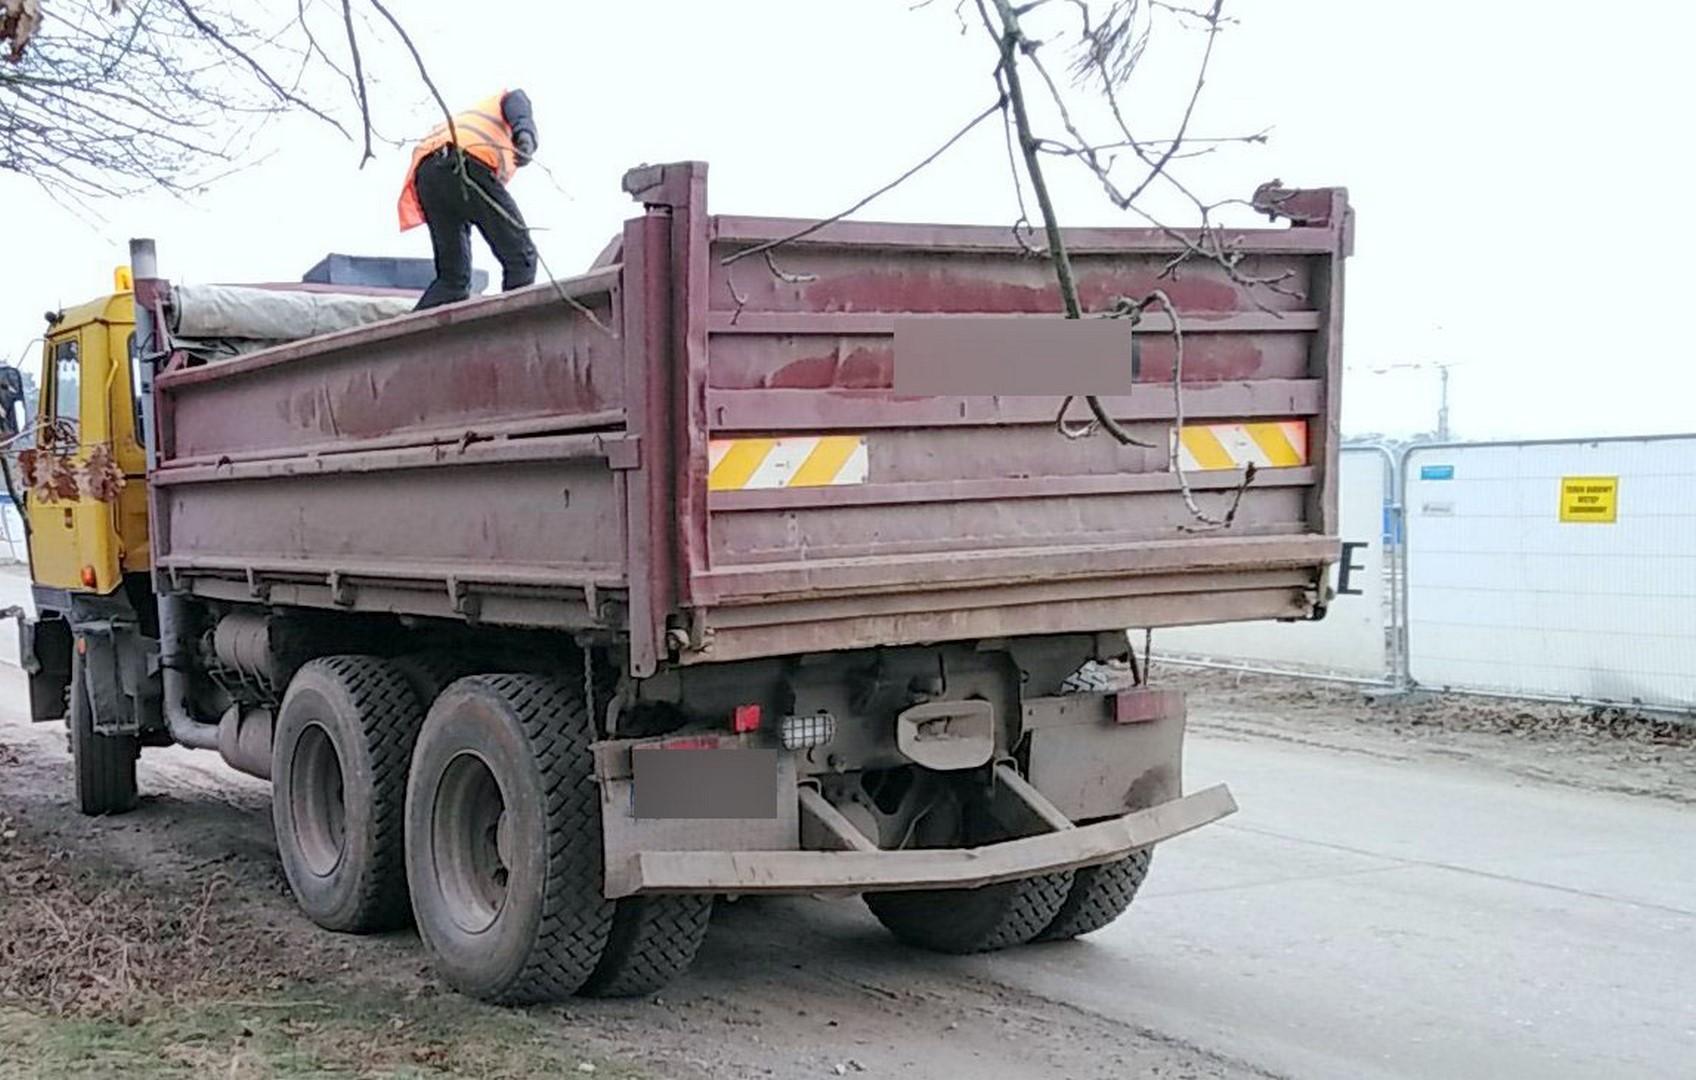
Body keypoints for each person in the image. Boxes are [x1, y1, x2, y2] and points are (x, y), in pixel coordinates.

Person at [398, 89, 540, 311]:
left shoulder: (469, 123)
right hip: (463, 164)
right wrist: (526, 135)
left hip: (428, 175)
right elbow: (516, 98)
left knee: (452, 282)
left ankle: (408, 333)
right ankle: (513, 329)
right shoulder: (505, 103)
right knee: (522, 258)